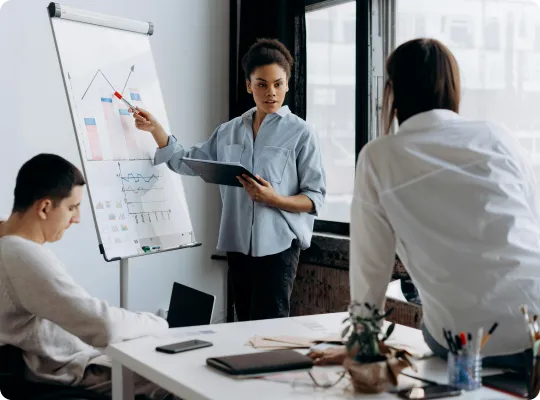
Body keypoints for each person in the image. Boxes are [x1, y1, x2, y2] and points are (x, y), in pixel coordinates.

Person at [310, 38, 540, 370]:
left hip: (470, 341)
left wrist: (362, 344)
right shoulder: (497, 135)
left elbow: (370, 268)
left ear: (392, 92)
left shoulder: (379, 157)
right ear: (453, 87)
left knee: (432, 323)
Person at [132, 38, 326, 321]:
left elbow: (314, 198)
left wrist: (275, 199)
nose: (270, 92)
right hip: (237, 244)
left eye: (277, 84)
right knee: (242, 324)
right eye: (261, 84)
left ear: (287, 83)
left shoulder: (302, 133)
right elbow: (188, 162)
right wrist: (157, 130)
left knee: (269, 325)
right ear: (249, 85)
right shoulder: (229, 131)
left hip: (279, 247)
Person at [0, 153, 178, 399]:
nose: (77, 218)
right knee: (176, 381)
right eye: (72, 207)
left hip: (64, 360)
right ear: (44, 207)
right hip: (72, 369)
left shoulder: (6, 238)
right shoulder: (20, 254)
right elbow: (105, 326)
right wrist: (160, 323)